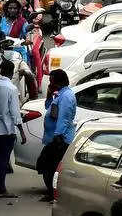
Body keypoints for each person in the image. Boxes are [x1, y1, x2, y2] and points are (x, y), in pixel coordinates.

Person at [0, 59, 26, 199]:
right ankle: (0, 189)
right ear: (11, 71)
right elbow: (15, 113)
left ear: (1, 70)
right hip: (7, 129)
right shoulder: (12, 89)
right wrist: (21, 131)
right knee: (3, 160)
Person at [36, 68, 76, 202]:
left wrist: (57, 136)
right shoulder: (59, 95)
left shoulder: (66, 97)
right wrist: (49, 95)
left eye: (51, 81)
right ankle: (51, 193)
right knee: (47, 165)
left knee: (48, 166)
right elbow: (49, 108)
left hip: (59, 139)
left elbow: (64, 118)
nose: (49, 83)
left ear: (57, 82)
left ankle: (53, 194)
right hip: (53, 138)